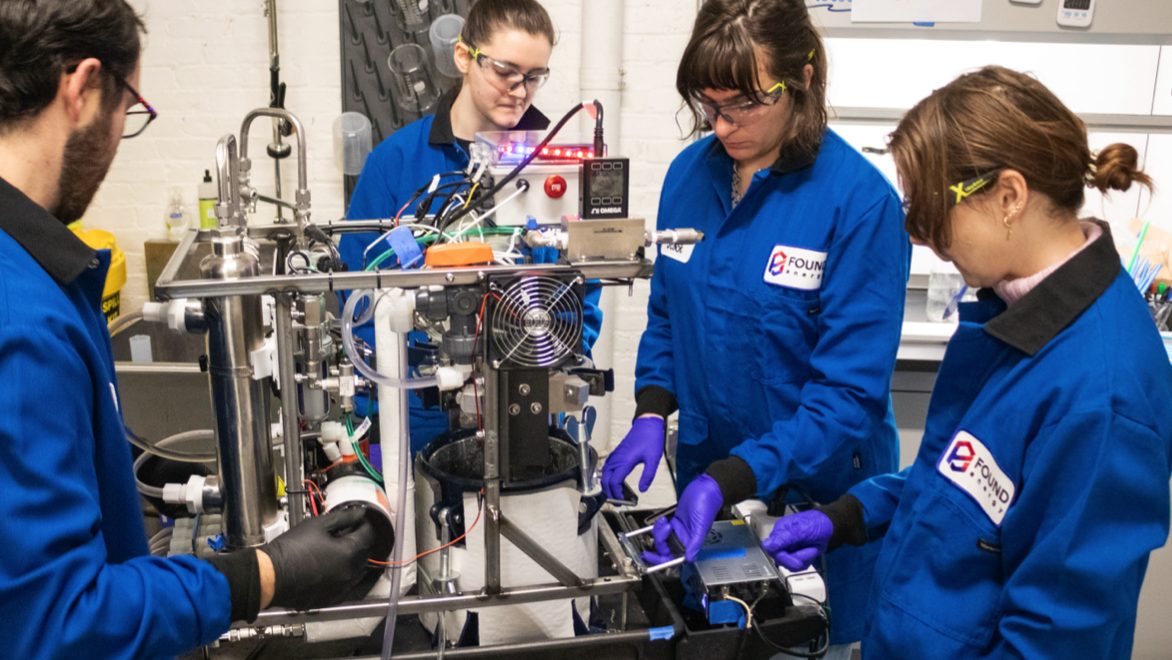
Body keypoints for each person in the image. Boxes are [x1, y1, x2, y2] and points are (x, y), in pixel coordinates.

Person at [0, 2, 375, 656]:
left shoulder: (36, 274)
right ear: (84, 88)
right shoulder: (24, 317)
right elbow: (56, 623)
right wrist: (265, 574)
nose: (121, 138)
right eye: (131, 112)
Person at [763, 65, 1172, 658]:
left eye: (930, 210)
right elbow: (967, 483)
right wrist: (848, 515)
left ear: (1009, 196)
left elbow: (1053, 640)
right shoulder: (1018, 313)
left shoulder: (1102, 398)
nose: (921, 236)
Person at [602, 0, 910, 653]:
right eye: (708, 105)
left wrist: (735, 476)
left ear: (802, 78)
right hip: (710, 483)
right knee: (719, 638)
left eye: (743, 104)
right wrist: (652, 411)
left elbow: (846, 398)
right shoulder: (690, 175)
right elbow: (669, 308)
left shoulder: (858, 205)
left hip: (813, 503)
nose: (722, 125)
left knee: (798, 640)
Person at [341, 0, 602, 453]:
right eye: (505, 71)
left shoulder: (555, 169)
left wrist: (543, 353)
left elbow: (584, 289)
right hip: (417, 409)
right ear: (464, 56)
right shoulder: (397, 162)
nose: (521, 90)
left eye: (535, 76)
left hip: (526, 404)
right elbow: (357, 291)